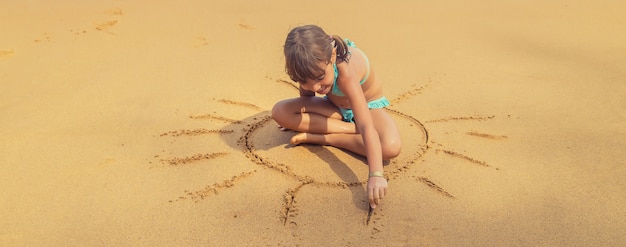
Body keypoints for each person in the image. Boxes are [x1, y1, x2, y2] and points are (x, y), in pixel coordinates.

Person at [272, 25, 401, 209]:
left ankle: (327, 138)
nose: (315, 87)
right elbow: (307, 99)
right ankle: (348, 129)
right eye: (304, 81)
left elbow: (366, 126)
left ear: (332, 57)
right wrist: (300, 119)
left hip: (368, 107)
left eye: (319, 77)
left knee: (391, 147)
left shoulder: (346, 73)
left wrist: (376, 175)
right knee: (279, 111)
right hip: (335, 108)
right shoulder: (307, 70)